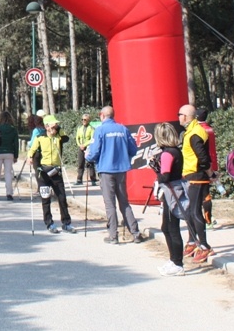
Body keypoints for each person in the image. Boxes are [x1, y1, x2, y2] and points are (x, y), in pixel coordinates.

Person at [86, 105, 144, 244]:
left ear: (102, 115)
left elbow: (94, 152)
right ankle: (135, 233)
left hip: (106, 170)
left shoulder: (100, 130)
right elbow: (133, 149)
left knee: (110, 204)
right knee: (124, 202)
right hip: (121, 170)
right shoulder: (123, 129)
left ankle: (113, 235)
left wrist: (87, 156)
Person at [27, 115, 75, 234]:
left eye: (56, 124)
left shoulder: (59, 136)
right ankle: (49, 223)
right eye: (54, 124)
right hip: (43, 172)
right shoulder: (40, 137)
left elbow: (66, 138)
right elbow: (32, 150)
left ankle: (66, 223)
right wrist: (29, 157)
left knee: (62, 197)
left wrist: (58, 130)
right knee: (46, 198)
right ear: (47, 126)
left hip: (56, 171)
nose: (56, 126)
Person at [178, 104, 213, 261]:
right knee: (190, 211)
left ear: (185, 116)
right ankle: (192, 241)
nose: (178, 117)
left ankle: (204, 246)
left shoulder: (194, 134)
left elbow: (203, 158)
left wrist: (209, 173)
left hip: (196, 176)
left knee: (194, 211)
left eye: (179, 114)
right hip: (191, 175)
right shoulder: (191, 131)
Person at [152, 122, 186, 276]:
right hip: (174, 189)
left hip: (171, 191)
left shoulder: (167, 153)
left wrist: (155, 169)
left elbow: (165, 176)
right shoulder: (176, 151)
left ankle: (177, 263)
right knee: (166, 227)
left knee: (172, 228)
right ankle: (173, 260)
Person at [195, 107, 219, 228]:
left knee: (199, 195)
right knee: (206, 193)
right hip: (211, 164)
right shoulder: (210, 129)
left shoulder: (197, 131)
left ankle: (204, 220)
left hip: (198, 166)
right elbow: (212, 150)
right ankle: (208, 218)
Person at [0, 111, 18, 201]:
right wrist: (16, 156)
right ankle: (9, 194)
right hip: (9, 152)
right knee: (8, 173)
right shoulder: (13, 129)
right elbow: (16, 144)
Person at [74, 113, 97, 185]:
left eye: (85, 119)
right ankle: (79, 179)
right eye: (82, 119)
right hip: (81, 147)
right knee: (80, 163)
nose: (83, 121)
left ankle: (93, 179)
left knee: (90, 163)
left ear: (88, 120)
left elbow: (92, 139)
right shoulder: (79, 128)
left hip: (88, 147)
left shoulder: (91, 128)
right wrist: (80, 145)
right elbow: (77, 138)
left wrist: (85, 145)